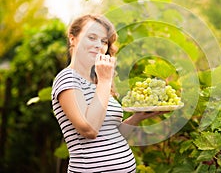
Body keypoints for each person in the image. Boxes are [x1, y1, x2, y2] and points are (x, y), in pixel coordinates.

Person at [51, 14, 165, 172]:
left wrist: (138, 117)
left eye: (104, 41)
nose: (99, 45)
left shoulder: (96, 82)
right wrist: (105, 80)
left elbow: (111, 136)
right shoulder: (68, 78)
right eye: (91, 37)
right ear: (72, 39)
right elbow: (89, 129)